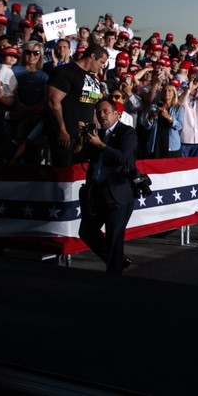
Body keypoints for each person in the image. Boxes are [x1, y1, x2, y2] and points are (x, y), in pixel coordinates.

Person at [74, 98, 137, 273]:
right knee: (87, 232)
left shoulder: (127, 132)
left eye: (105, 112)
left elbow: (123, 158)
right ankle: (118, 260)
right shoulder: (96, 134)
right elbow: (78, 157)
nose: (102, 116)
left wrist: (101, 146)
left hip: (118, 193)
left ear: (117, 114)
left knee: (114, 239)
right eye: (98, 112)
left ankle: (113, 277)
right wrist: (80, 140)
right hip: (97, 194)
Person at [46, 44, 107, 166]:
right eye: (101, 62)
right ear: (93, 56)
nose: (102, 66)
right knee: (64, 174)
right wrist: (62, 130)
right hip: (67, 136)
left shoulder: (93, 78)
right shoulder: (66, 71)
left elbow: (91, 105)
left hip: (87, 137)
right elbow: (53, 101)